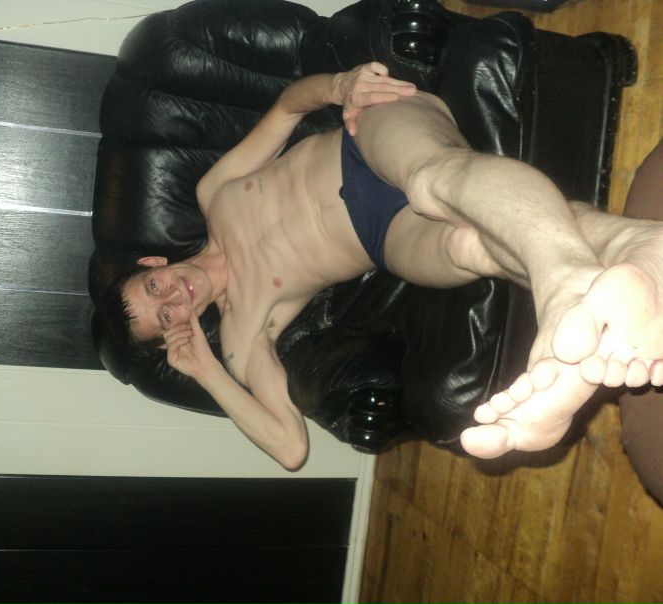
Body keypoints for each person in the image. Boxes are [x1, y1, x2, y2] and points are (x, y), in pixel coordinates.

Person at [107, 62, 663, 471]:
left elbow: (286, 109)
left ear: (154, 261)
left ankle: (566, 287)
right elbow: (291, 449)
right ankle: (637, 249)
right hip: (384, 234)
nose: (172, 297)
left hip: (367, 139)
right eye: (165, 317)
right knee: (467, 247)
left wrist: (339, 86)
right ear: (177, 331)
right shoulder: (241, 331)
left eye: (153, 286)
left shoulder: (214, 192)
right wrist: (205, 370)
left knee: (431, 182)